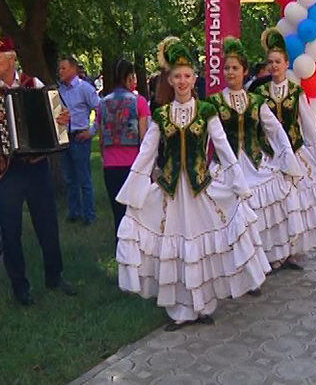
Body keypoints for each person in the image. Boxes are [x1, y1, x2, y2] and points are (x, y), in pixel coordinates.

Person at [115, 37, 269, 331]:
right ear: (169, 80)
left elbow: (222, 147)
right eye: (177, 76)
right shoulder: (161, 115)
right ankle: (180, 310)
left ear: (194, 78)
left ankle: (203, 306)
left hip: (201, 190)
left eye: (187, 76)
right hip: (172, 193)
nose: (183, 81)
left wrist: (239, 184)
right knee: (176, 246)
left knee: (201, 245)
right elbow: (147, 152)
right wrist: (133, 191)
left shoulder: (206, 110)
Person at [0, 37, 76, 306]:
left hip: (35, 167)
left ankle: (55, 277)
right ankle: (20, 288)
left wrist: (62, 119)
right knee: (10, 232)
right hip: (5, 171)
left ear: (11, 58)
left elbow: (58, 117)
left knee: (48, 225)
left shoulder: (34, 85)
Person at [208, 37, 305, 272]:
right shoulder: (214, 102)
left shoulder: (256, 101)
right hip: (226, 166)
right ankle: (235, 264)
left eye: (235, 68)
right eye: (227, 68)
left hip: (254, 161)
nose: (230, 73)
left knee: (278, 191)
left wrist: (288, 161)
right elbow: (208, 140)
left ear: (245, 71)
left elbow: (276, 130)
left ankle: (271, 255)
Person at [255, 29, 316, 254]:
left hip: (296, 152)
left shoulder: (295, 92)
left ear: (286, 63)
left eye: (278, 62)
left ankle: (293, 251)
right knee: (277, 206)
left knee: (297, 205)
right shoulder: (260, 92)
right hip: (270, 155)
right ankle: (276, 251)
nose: (274, 66)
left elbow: (310, 128)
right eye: (270, 62)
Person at [98, 60, 151, 242]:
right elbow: (145, 138)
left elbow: (101, 139)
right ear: (130, 78)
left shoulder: (103, 103)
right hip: (134, 165)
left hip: (110, 166)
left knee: (118, 214)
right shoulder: (140, 102)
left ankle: (120, 249)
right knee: (137, 213)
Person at [58, 55, 101, 225]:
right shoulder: (60, 91)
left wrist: (92, 131)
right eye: (60, 68)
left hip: (80, 138)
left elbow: (100, 109)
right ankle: (74, 212)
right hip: (64, 138)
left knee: (84, 178)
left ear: (73, 69)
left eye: (64, 68)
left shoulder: (85, 89)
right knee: (69, 178)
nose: (60, 71)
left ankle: (89, 215)